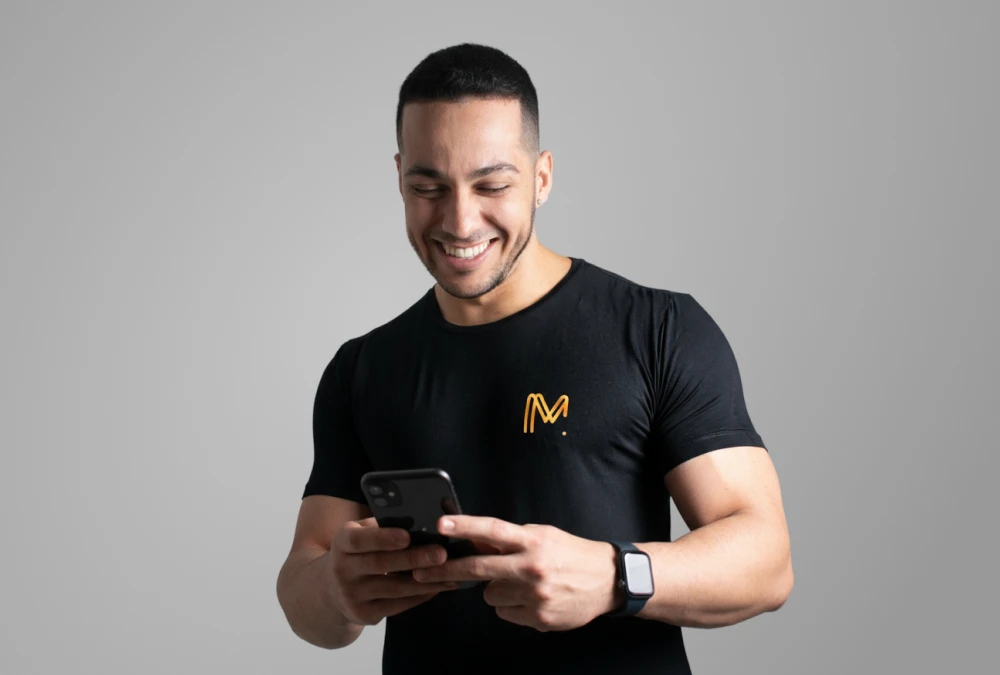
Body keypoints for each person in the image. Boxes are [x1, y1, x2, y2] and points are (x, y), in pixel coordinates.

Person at [276, 42, 793, 675]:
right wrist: (334, 592)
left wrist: (613, 576)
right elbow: (304, 590)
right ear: (399, 178)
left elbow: (767, 562)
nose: (460, 221)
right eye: (427, 187)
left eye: (492, 185)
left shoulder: (656, 328)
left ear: (542, 178)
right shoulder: (362, 368)